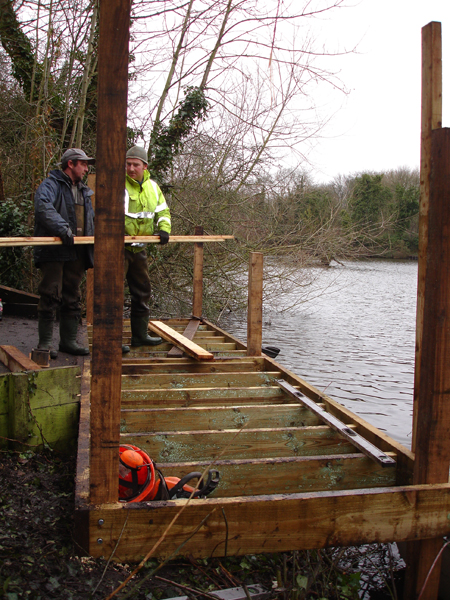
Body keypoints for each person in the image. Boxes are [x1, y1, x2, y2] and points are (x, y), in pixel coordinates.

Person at [34, 148, 95, 357]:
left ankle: (68, 342)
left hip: (77, 251)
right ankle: (45, 344)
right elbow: (43, 208)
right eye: (83, 164)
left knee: (72, 295)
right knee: (50, 293)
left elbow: (90, 220)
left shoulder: (85, 191)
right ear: (71, 164)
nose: (86, 169)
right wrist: (63, 229)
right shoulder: (50, 185)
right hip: (54, 250)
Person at [124, 146, 171, 346]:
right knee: (112, 293)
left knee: (143, 291)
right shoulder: (119, 185)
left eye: (135, 165)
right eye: (128, 164)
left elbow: (163, 212)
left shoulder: (153, 187)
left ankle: (139, 336)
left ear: (145, 166)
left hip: (139, 248)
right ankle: (111, 339)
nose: (131, 168)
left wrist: (164, 230)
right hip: (119, 249)